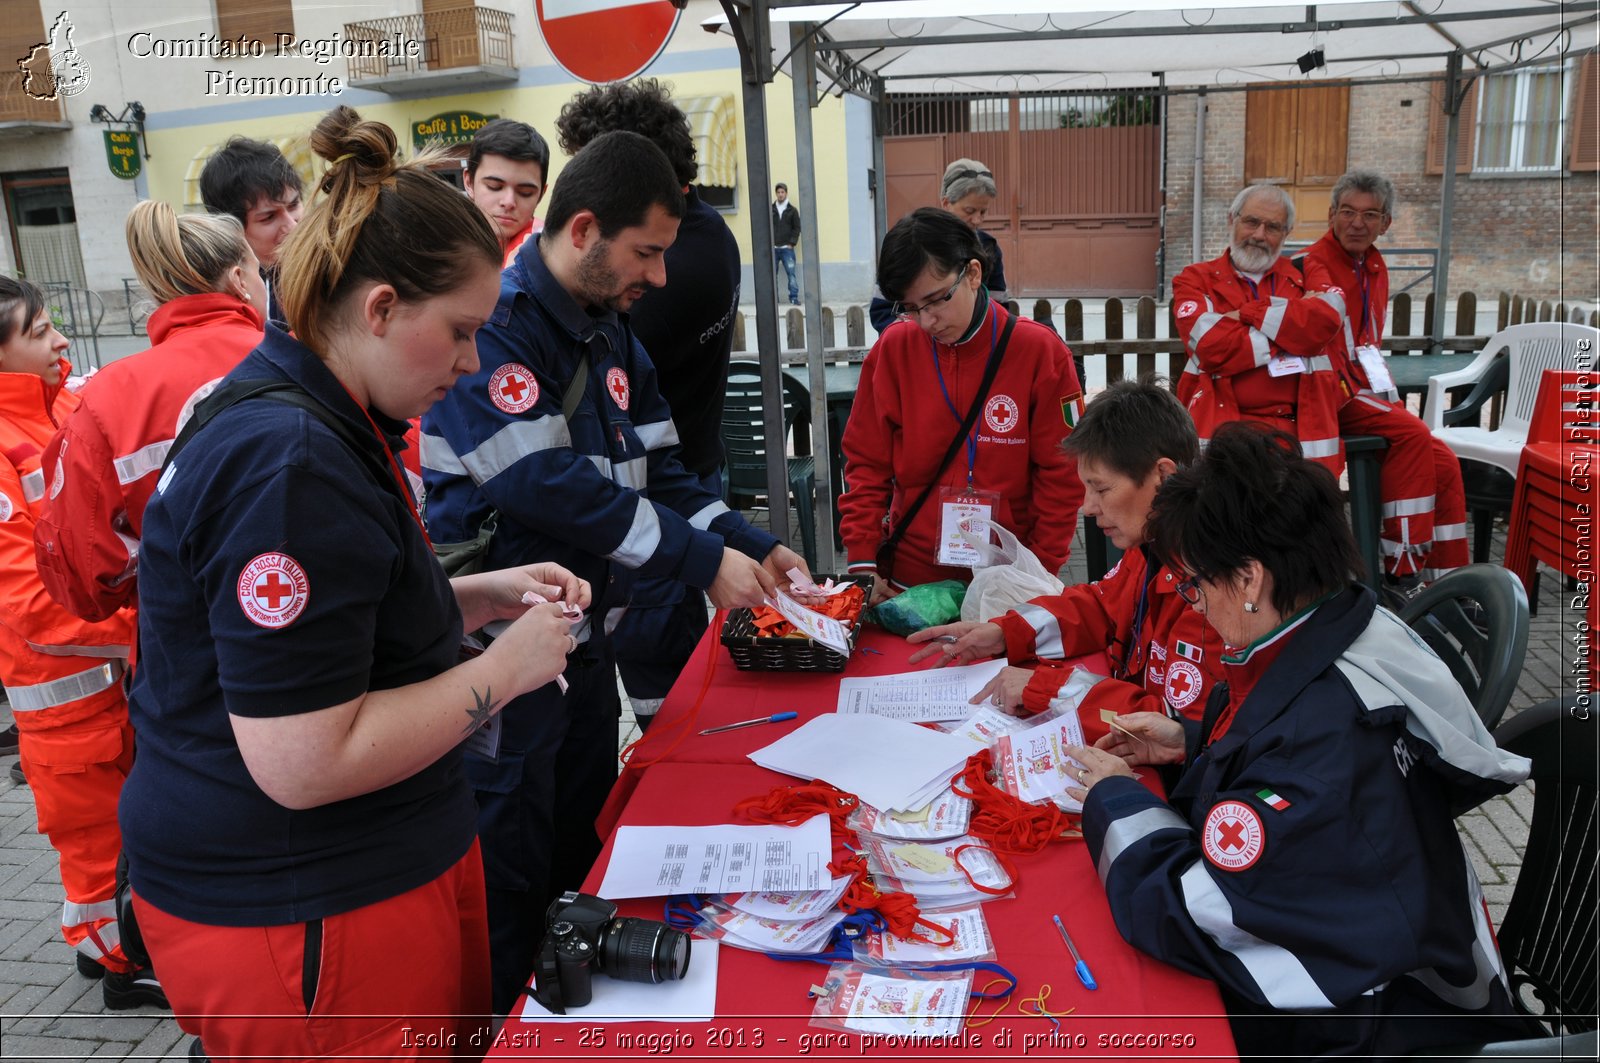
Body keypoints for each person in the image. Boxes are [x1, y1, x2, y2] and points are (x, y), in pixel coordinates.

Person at [121, 105, 587, 1057]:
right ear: (379, 308)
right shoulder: (289, 459)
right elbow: (305, 758)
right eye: (460, 332)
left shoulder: (318, 414)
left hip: (361, 879)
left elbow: (331, 629)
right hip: (306, 909)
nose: (469, 364)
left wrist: (474, 596)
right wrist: (510, 669)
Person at [421, 130, 812, 1014]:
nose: (663, 278)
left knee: (581, 859)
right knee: (510, 886)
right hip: (503, 667)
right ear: (587, 229)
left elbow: (665, 474)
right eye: (649, 252)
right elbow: (547, 487)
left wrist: (750, 542)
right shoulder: (503, 326)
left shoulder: (610, 333)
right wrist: (700, 559)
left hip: (581, 655)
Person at [1067, 422, 1536, 1058]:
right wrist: (1191, 739)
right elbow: (1299, 756)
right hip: (1405, 951)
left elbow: (1193, 913)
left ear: (1250, 580)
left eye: (1197, 583)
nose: (1197, 604)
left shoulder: (1312, 749)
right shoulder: (1351, 624)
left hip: (1371, 1024)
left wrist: (1117, 800)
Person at [0, 277, 165, 1009]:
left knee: (115, 839)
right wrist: (149, 631)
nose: (62, 339)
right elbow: (31, 607)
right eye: (39, 331)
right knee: (97, 847)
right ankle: (123, 967)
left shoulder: (58, 408)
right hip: (65, 705)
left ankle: (103, 947)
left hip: (110, 686)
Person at [555, 78, 740, 730]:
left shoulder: (644, 284)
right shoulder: (707, 234)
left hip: (657, 502)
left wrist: (717, 549)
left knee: (664, 692)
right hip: (664, 493)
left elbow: (612, 451)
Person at [906, 378, 1221, 724]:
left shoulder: (1213, 588)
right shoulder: (1152, 545)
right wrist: (1005, 633)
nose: (1087, 507)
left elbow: (1177, 727)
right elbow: (1100, 608)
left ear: (1162, 476)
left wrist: (1045, 688)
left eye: (1100, 488)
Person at [35, 202, 265, 624]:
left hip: (184, 646)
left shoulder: (110, 396)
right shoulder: (306, 361)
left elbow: (85, 581)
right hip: (318, 632)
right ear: (239, 280)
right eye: (259, 273)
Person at [841, 207, 1084, 602]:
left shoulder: (1040, 353)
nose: (926, 322)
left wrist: (1038, 574)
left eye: (936, 300)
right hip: (907, 582)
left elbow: (1062, 476)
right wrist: (863, 562)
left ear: (972, 274)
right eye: (911, 307)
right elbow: (866, 464)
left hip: (1005, 585)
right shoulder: (894, 349)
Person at [1304, 170, 1468, 595]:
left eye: (1370, 214)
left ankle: (1447, 583)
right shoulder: (1314, 264)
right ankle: (1402, 570)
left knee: (1444, 462)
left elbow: (1367, 344)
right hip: (1331, 396)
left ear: (1386, 223)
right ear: (1331, 215)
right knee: (1413, 434)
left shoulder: (1374, 266)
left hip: (1366, 389)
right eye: (1348, 212)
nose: (1357, 223)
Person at [1172, 184, 1347, 475]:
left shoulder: (1307, 270)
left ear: (1286, 232)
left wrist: (1246, 314)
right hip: (1225, 429)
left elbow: (1327, 319)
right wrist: (1292, 329)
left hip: (1302, 431)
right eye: (1251, 222)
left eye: (1273, 227)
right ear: (1232, 219)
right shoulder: (1195, 278)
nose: (1259, 235)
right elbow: (1209, 346)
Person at [870, 158, 1009, 333]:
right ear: (946, 203)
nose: (977, 220)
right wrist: (915, 340)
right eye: (969, 211)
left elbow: (999, 305)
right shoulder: (912, 243)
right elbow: (881, 310)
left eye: (983, 212)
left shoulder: (988, 247)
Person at [197, 136, 304, 329]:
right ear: (233, 230)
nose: (292, 226)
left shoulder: (338, 268)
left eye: (294, 205)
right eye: (269, 217)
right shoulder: (225, 297)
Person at [464, 118, 550, 268]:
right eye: (494, 186)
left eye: (525, 192)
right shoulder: (442, 245)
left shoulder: (550, 253)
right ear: (469, 182)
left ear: (541, 194)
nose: (509, 202)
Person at [771, 182, 801, 305]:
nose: (780, 194)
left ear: (786, 193)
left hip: (787, 248)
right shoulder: (771, 209)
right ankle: (773, 300)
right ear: (776, 194)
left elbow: (797, 228)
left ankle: (793, 298)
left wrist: (792, 243)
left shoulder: (792, 210)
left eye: (782, 192)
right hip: (773, 248)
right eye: (778, 192)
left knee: (791, 274)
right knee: (772, 276)